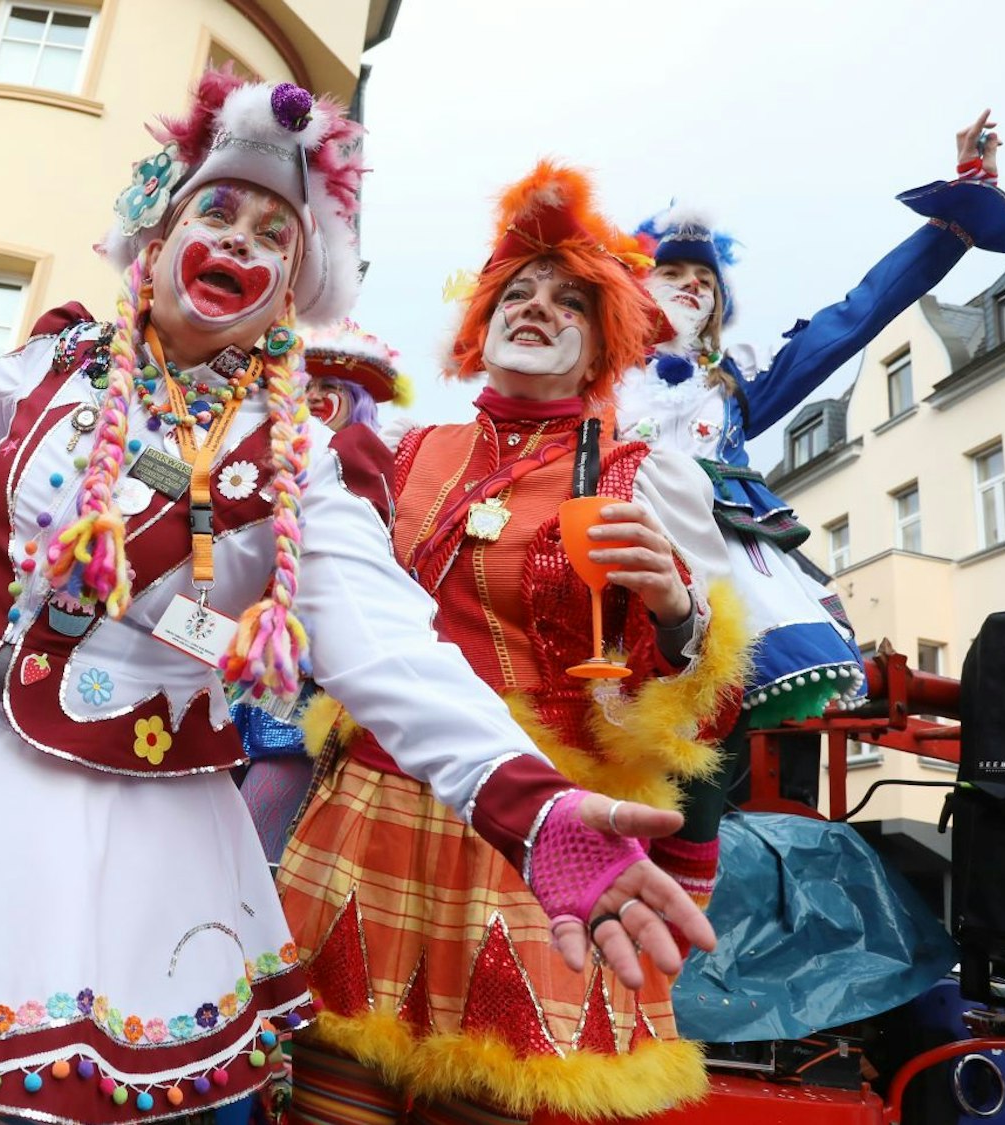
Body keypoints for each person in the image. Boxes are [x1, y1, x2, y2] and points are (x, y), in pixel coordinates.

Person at [0, 72, 712, 1125]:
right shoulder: (62, 359)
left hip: (99, 807)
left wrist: (529, 805)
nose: (239, 241)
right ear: (159, 236)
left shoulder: (300, 457)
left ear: (290, 288)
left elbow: (379, 644)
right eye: (217, 212)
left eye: (273, 235)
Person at [276, 162, 748, 1125]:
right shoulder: (402, 455)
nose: (535, 307)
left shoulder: (643, 476)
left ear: (600, 349)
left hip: (546, 833)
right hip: (371, 809)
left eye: (567, 299)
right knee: (327, 1104)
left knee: (490, 1105)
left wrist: (675, 610)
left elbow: (710, 707)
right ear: (479, 324)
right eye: (517, 293)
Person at [615, 110, 1005, 755]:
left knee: (701, 754)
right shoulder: (580, 375)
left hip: (720, 578)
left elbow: (855, 316)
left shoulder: (734, 387)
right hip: (606, 572)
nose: (693, 288)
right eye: (673, 275)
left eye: (705, 282)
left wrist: (956, 217)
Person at [236, 319, 409, 863]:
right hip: (231, 661)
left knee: (250, 844)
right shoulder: (250, 450)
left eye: (326, 390)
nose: (309, 399)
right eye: (303, 387)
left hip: (303, 680)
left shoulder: (368, 466)